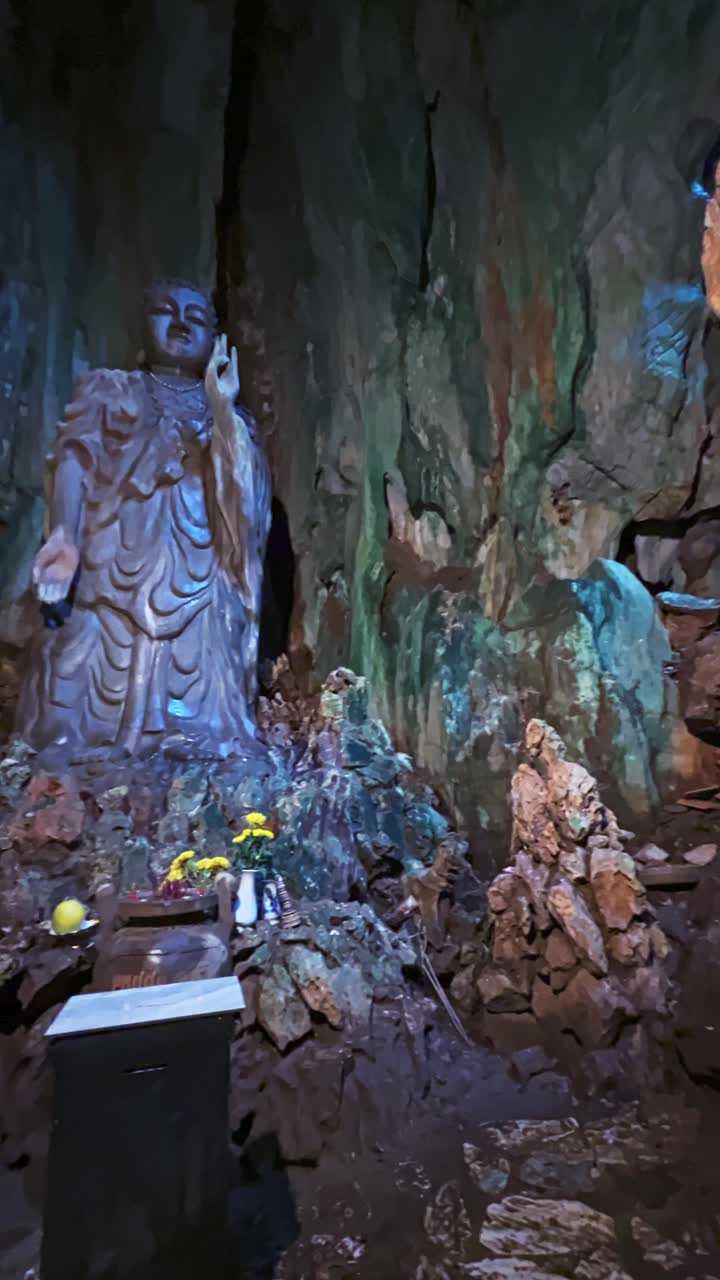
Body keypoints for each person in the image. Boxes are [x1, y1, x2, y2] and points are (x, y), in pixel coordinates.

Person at [15, 279, 271, 760]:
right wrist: (65, 537)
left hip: (197, 572)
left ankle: (192, 740)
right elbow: (75, 460)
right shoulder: (109, 389)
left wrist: (221, 409)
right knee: (75, 640)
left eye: (195, 319)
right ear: (141, 325)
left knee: (213, 636)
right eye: (167, 312)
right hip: (109, 560)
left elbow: (246, 505)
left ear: (215, 339)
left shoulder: (227, 413)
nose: (179, 324)